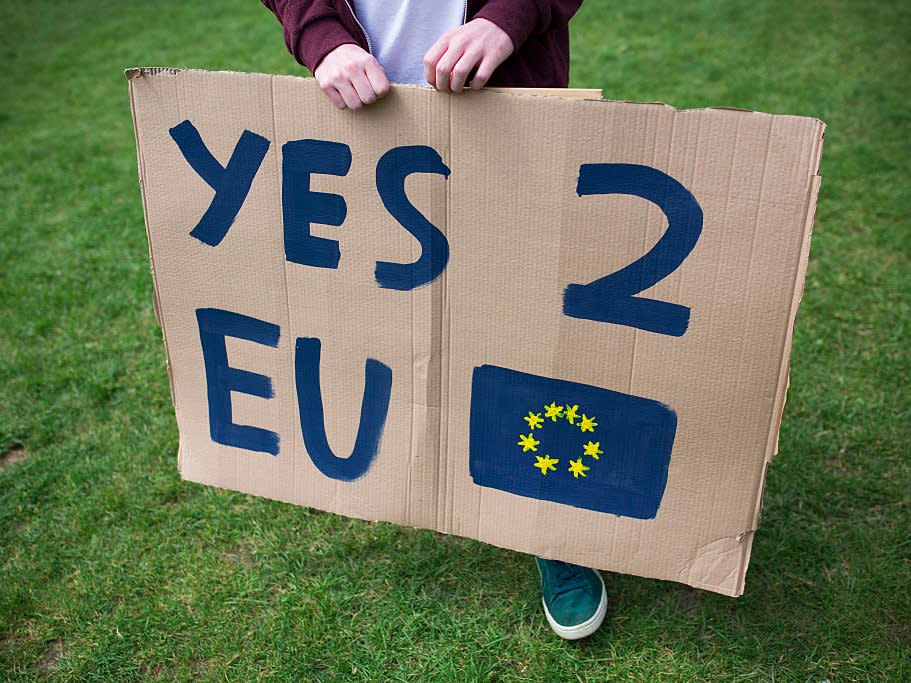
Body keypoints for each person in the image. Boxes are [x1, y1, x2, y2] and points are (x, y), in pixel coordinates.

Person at [262, 0, 606, 640]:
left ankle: (553, 529)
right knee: (391, 322)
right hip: (369, 119)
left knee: (525, 329)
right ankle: (413, 473)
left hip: (506, 112)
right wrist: (323, 37)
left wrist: (510, 16)